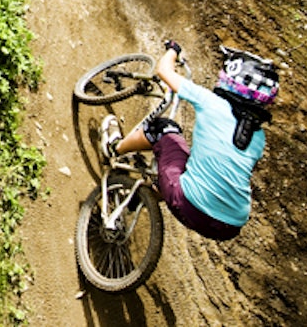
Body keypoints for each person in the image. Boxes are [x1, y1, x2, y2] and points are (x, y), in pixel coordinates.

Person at [100, 40, 279, 241]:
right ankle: (136, 200)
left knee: (163, 129)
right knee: (188, 170)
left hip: (190, 204)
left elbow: (164, 72)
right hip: (230, 227)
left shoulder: (211, 103)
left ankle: (113, 148)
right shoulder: (258, 138)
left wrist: (173, 50)